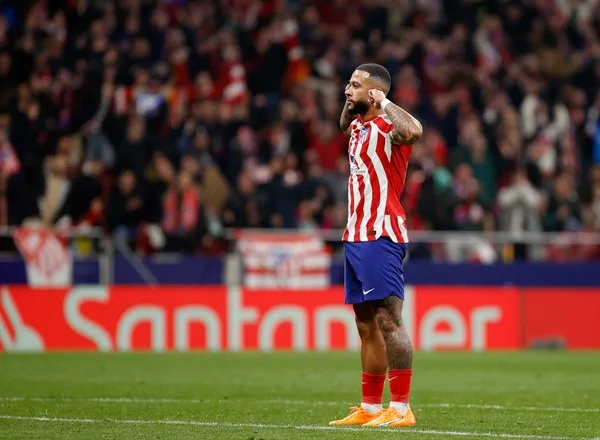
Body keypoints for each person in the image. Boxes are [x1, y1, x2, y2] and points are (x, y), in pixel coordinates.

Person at [328, 64, 422, 428]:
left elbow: (414, 130)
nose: (346, 89)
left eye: (354, 85)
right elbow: (341, 123)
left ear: (375, 93)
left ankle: (401, 409)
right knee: (365, 323)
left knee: (389, 320)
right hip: (354, 234)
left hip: (381, 233)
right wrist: (356, 99)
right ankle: (369, 408)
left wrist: (383, 100)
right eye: (347, 82)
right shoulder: (357, 126)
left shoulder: (388, 126)